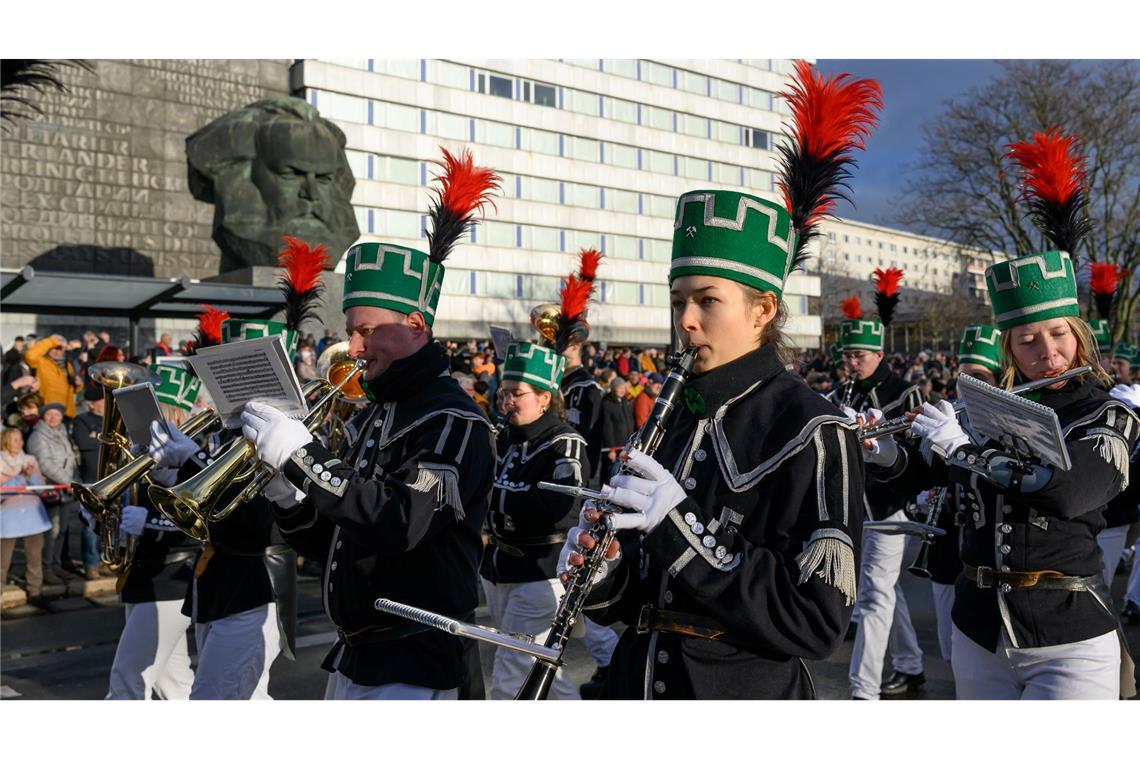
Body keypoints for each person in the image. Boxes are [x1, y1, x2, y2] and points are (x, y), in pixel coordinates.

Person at [561, 61, 879, 700]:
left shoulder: (812, 427)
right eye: (678, 299)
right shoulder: (672, 410)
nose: (685, 319)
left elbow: (817, 621)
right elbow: (641, 598)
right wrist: (605, 577)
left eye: (708, 300)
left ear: (763, 309)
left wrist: (679, 528)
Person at [239, 147, 499, 700]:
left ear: (415, 325)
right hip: (357, 658)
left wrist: (304, 458)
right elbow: (338, 535)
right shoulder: (379, 415)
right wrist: (290, 497)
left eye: (365, 330)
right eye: (351, 331)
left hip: (413, 664)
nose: (353, 347)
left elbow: (398, 522)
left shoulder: (452, 420)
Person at [896, 129, 1137, 699]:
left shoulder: (1111, 414)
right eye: (1027, 341)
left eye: (1058, 335)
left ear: (1078, 334)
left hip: (1070, 633)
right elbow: (909, 479)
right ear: (1009, 349)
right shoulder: (983, 407)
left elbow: (1069, 492)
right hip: (979, 630)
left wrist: (963, 448)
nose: (1047, 354)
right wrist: (883, 451)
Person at [149, 272, 324, 700]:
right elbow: (208, 515)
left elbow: (257, 524)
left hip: (255, 587)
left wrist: (191, 459)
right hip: (218, 585)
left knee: (215, 702)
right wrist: (174, 471)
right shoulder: (229, 434)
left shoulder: (296, 438)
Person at [828, 287, 926, 700]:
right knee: (885, 590)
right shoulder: (842, 392)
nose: (851, 363)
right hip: (856, 507)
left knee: (872, 596)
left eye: (859, 356)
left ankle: (863, 691)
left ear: (879, 355)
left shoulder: (904, 392)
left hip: (890, 508)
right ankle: (911, 664)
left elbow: (917, 453)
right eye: (848, 356)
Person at [481, 339, 589, 699]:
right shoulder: (503, 438)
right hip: (497, 569)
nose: (506, 401)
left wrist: (497, 495)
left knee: (510, 670)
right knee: (541, 668)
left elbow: (562, 507)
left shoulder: (564, 442)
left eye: (516, 393)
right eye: (503, 394)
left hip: (540, 572)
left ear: (544, 398)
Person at [104, 365, 202, 700]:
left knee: (128, 680)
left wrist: (148, 523)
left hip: (171, 580)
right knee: (174, 687)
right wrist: (105, 519)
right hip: (143, 577)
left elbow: (200, 527)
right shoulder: (142, 452)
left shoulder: (195, 456)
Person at [26, 402, 89, 582]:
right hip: (51, 490)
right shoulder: (39, 436)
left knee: (62, 530)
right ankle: (45, 569)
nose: (53, 418)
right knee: (51, 532)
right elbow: (45, 464)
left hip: (65, 490)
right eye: (49, 415)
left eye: (57, 415)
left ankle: (56, 565)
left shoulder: (61, 432)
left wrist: (73, 481)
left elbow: (70, 459)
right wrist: (69, 482)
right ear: (43, 417)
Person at [0, 427, 51, 604]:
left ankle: (35, 592)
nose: (20, 443)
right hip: (7, 519)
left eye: (21, 439)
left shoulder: (30, 460)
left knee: (35, 558)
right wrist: (21, 477)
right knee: (2, 561)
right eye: (15, 439)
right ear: (5, 440)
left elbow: (41, 488)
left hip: (32, 517)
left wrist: (31, 477)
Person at [71, 385, 113, 577]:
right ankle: (91, 564)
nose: (105, 405)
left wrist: (95, 437)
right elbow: (83, 443)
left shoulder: (111, 420)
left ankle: (107, 559)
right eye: (102, 402)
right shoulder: (81, 420)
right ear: (92, 405)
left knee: (110, 524)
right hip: (91, 480)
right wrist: (102, 438)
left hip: (111, 478)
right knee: (90, 525)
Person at [23, 335, 80, 419]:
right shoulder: (40, 361)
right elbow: (29, 356)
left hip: (65, 412)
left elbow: (72, 388)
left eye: (60, 348)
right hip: (47, 410)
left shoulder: (67, 364)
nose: (57, 351)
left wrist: (78, 385)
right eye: (54, 348)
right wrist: (52, 341)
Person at [593, 377, 634, 485]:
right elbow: (607, 427)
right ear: (613, 388)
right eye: (619, 387)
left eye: (623, 388)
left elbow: (630, 422)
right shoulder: (607, 403)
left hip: (625, 445)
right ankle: (602, 494)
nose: (622, 390)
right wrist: (610, 448)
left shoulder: (625, 402)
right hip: (613, 447)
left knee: (620, 474)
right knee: (609, 472)